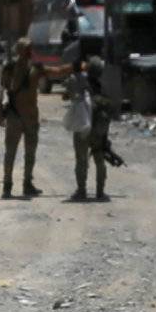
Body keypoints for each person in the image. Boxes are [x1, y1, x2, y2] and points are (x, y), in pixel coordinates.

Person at [0, 37, 47, 199]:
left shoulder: (32, 69)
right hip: (17, 116)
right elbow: (0, 92)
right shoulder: (10, 69)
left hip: (27, 117)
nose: (30, 52)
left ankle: (26, 184)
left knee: (29, 153)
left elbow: (55, 73)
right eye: (28, 49)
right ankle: (8, 185)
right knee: (11, 152)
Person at [63, 58, 108, 203]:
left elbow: (67, 93)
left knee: (81, 161)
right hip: (98, 131)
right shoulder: (102, 90)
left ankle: (81, 191)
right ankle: (100, 193)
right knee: (99, 161)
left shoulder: (78, 81)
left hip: (83, 128)